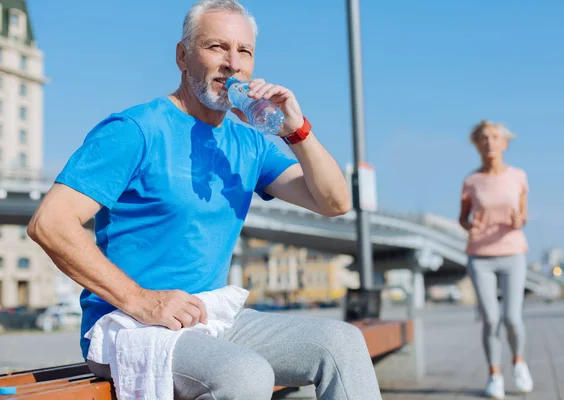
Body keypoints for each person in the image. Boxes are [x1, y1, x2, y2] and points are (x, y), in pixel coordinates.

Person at [27, 1, 382, 399]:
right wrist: (142, 301)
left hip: (209, 316)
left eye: (243, 51)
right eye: (216, 47)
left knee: (342, 343)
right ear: (182, 56)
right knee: (244, 374)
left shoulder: (248, 142)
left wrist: (295, 129)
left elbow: (334, 203)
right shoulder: (136, 129)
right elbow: (50, 223)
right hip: (131, 326)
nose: (232, 63)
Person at [458, 120, 534, 399]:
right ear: (477, 144)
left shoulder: (518, 176)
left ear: (504, 143)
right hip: (480, 257)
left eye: (495, 137)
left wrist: (518, 220)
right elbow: (463, 218)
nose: (489, 142)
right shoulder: (471, 181)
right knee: (491, 318)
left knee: (512, 318)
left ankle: (519, 362)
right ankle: (495, 375)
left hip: (513, 252)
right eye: (484, 138)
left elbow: (523, 216)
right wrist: (470, 226)